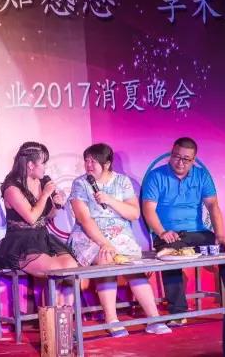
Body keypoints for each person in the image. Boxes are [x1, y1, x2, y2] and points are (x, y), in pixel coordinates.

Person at [68, 143, 171, 337]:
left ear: (107, 164)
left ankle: (154, 319)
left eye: (93, 161)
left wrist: (109, 200)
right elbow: (85, 219)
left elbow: (134, 213)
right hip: (90, 236)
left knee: (132, 266)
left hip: (120, 235)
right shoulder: (80, 184)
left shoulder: (123, 182)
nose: (88, 165)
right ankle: (112, 319)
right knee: (106, 258)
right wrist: (104, 243)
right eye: (86, 160)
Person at [141, 137, 225, 326]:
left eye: (186, 159)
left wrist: (220, 235)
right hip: (169, 234)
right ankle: (178, 312)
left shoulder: (201, 175)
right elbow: (148, 209)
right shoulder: (156, 176)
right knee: (169, 255)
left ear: (193, 160)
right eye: (176, 156)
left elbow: (213, 206)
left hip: (198, 232)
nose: (180, 162)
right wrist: (162, 232)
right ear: (171, 154)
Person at [0, 142, 77, 304]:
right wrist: (45, 194)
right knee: (55, 270)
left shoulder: (42, 182)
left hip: (42, 237)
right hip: (21, 243)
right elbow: (31, 218)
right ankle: (52, 315)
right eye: (43, 163)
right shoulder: (12, 188)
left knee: (71, 266)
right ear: (30, 165)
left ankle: (64, 315)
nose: (45, 168)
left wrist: (56, 205)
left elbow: (46, 216)